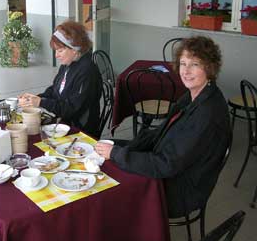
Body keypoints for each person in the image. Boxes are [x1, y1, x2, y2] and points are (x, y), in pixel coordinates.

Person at [95, 36, 231, 218]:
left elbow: (166, 165)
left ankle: (130, 237)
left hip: (180, 190)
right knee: (108, 166)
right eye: (183, 63)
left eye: (195, 64)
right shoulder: (194, 96)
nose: (186, 71)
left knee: (108, 189)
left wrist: (117, 154)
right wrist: (119, 146)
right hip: (171, 168)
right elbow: (159, 134)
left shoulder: (207, 114)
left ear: (209, 67)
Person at [18, 20, 102, 136]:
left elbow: (71, 109)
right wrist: (36, 98)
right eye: (55, 51)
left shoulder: (87, 71)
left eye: (60, 50)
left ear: (74, 49)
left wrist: (41, 102)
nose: (56, 55)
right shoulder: (68, 64)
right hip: (64, 122)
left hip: (80, 130)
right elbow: (55, 90)